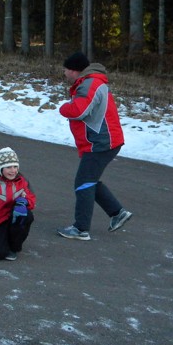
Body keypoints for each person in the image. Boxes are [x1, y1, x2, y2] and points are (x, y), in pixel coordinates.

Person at [56, 51, 132, 240]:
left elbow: (78, 111)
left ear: (74, 70)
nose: (64, 73)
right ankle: (117, 213)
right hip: (103, 141)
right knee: (89, 181)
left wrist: (63, 107)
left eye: (65, 69)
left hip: (101, 143)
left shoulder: (90, 83)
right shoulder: (91, 82)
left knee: (83, 183)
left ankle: (81, 228)